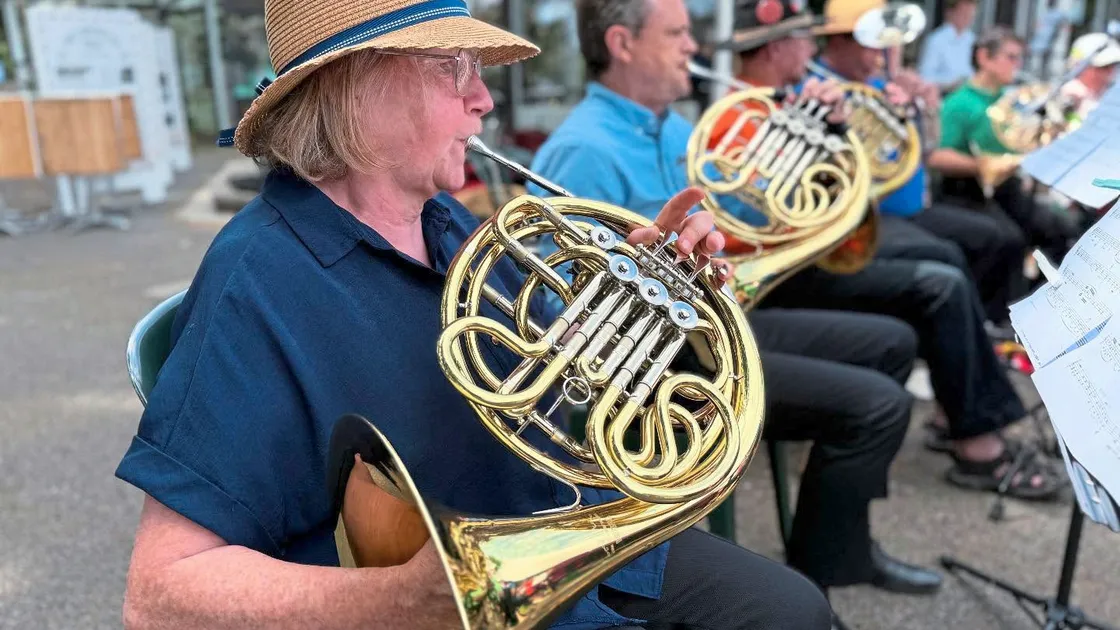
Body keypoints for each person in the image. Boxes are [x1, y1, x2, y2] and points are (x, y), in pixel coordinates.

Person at [113, 1, 837, 629]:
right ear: (357, 82)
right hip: (443, 601)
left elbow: (540, 375)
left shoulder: (444, 220)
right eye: (452, 66)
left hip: (564, 531)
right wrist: (392, 602)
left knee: (797, 607)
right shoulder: (259, 278)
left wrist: (645, 300)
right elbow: (160, 594)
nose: (483, 99)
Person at [533, 0, 945, 597]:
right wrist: (654, 263)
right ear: (622, 43)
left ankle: (838, 540)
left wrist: (811, 135)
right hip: (663, 365)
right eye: (676, 33)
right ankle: (812, 585)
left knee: (894, 342)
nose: (693, 48)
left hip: (721, 316)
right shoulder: (583, 150)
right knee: (877, 406)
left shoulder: (677, 129)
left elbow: (749, 222)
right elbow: (561, 305)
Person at [810, 0, 1027, 327]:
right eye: (876, 44)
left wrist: (925, 109)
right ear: (842, 40)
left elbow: (925, 151)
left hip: (911, 207)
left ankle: (985, 326)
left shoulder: (875, 84)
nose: (883, 55)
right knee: (953, 258)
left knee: (995, 238)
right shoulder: (820, 88)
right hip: (881, 216)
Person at [929, 26, 1081, 264]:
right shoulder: (958, 102)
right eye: (1011, 57)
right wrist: (985, 164)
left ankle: (1044, 295)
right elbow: (937, 156)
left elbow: (1023, 145)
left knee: (1063, 228)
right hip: (968, 193)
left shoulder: (1011, 101)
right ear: (983, 58)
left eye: (1019, 58)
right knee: (1010, 240)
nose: (1017, 64)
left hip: (1007, 190)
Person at [917, 0, 978, 95]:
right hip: (944, 96)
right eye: (964, 13)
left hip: (970, 94)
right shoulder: (936, 40)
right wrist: (950, 84)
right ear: (950, 13)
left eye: (970, 15)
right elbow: (925, 77)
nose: (967, 18)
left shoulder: (972, 39)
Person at [1060, 32, 1120, 126]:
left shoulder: (1109, 96)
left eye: (1113, 66)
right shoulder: (1068, 95)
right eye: (1104, 67)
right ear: (1080, 67)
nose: (1110, 72)